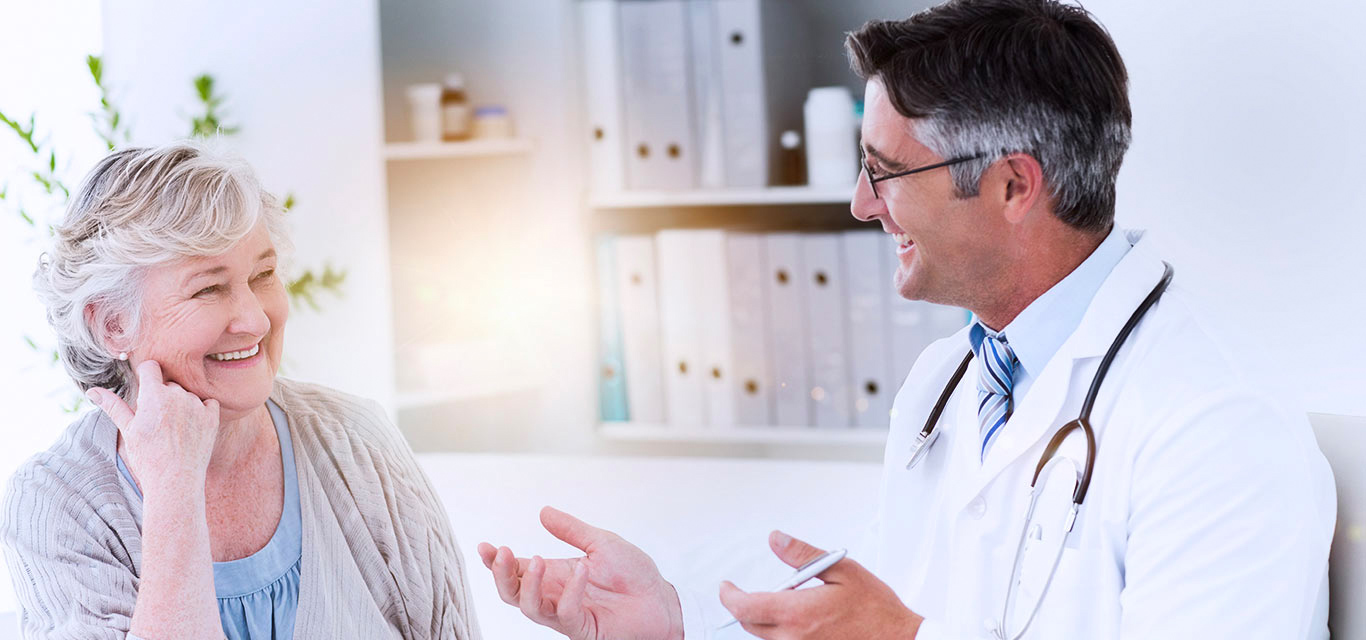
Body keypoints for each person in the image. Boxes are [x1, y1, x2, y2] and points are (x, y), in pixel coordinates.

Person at [478, 0, 1336, 638]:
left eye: (885, 171)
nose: (859, 205)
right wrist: (668, 617)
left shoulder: (1218, 431)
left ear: (1012, 185)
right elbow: (870, 606)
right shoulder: (951, 384)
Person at [1, 141, 481, 640]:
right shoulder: (56, 503)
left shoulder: (356, 441)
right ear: (113, 324)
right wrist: (172, 489)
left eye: (263, 275)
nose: (255, 319)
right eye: (209, 289)